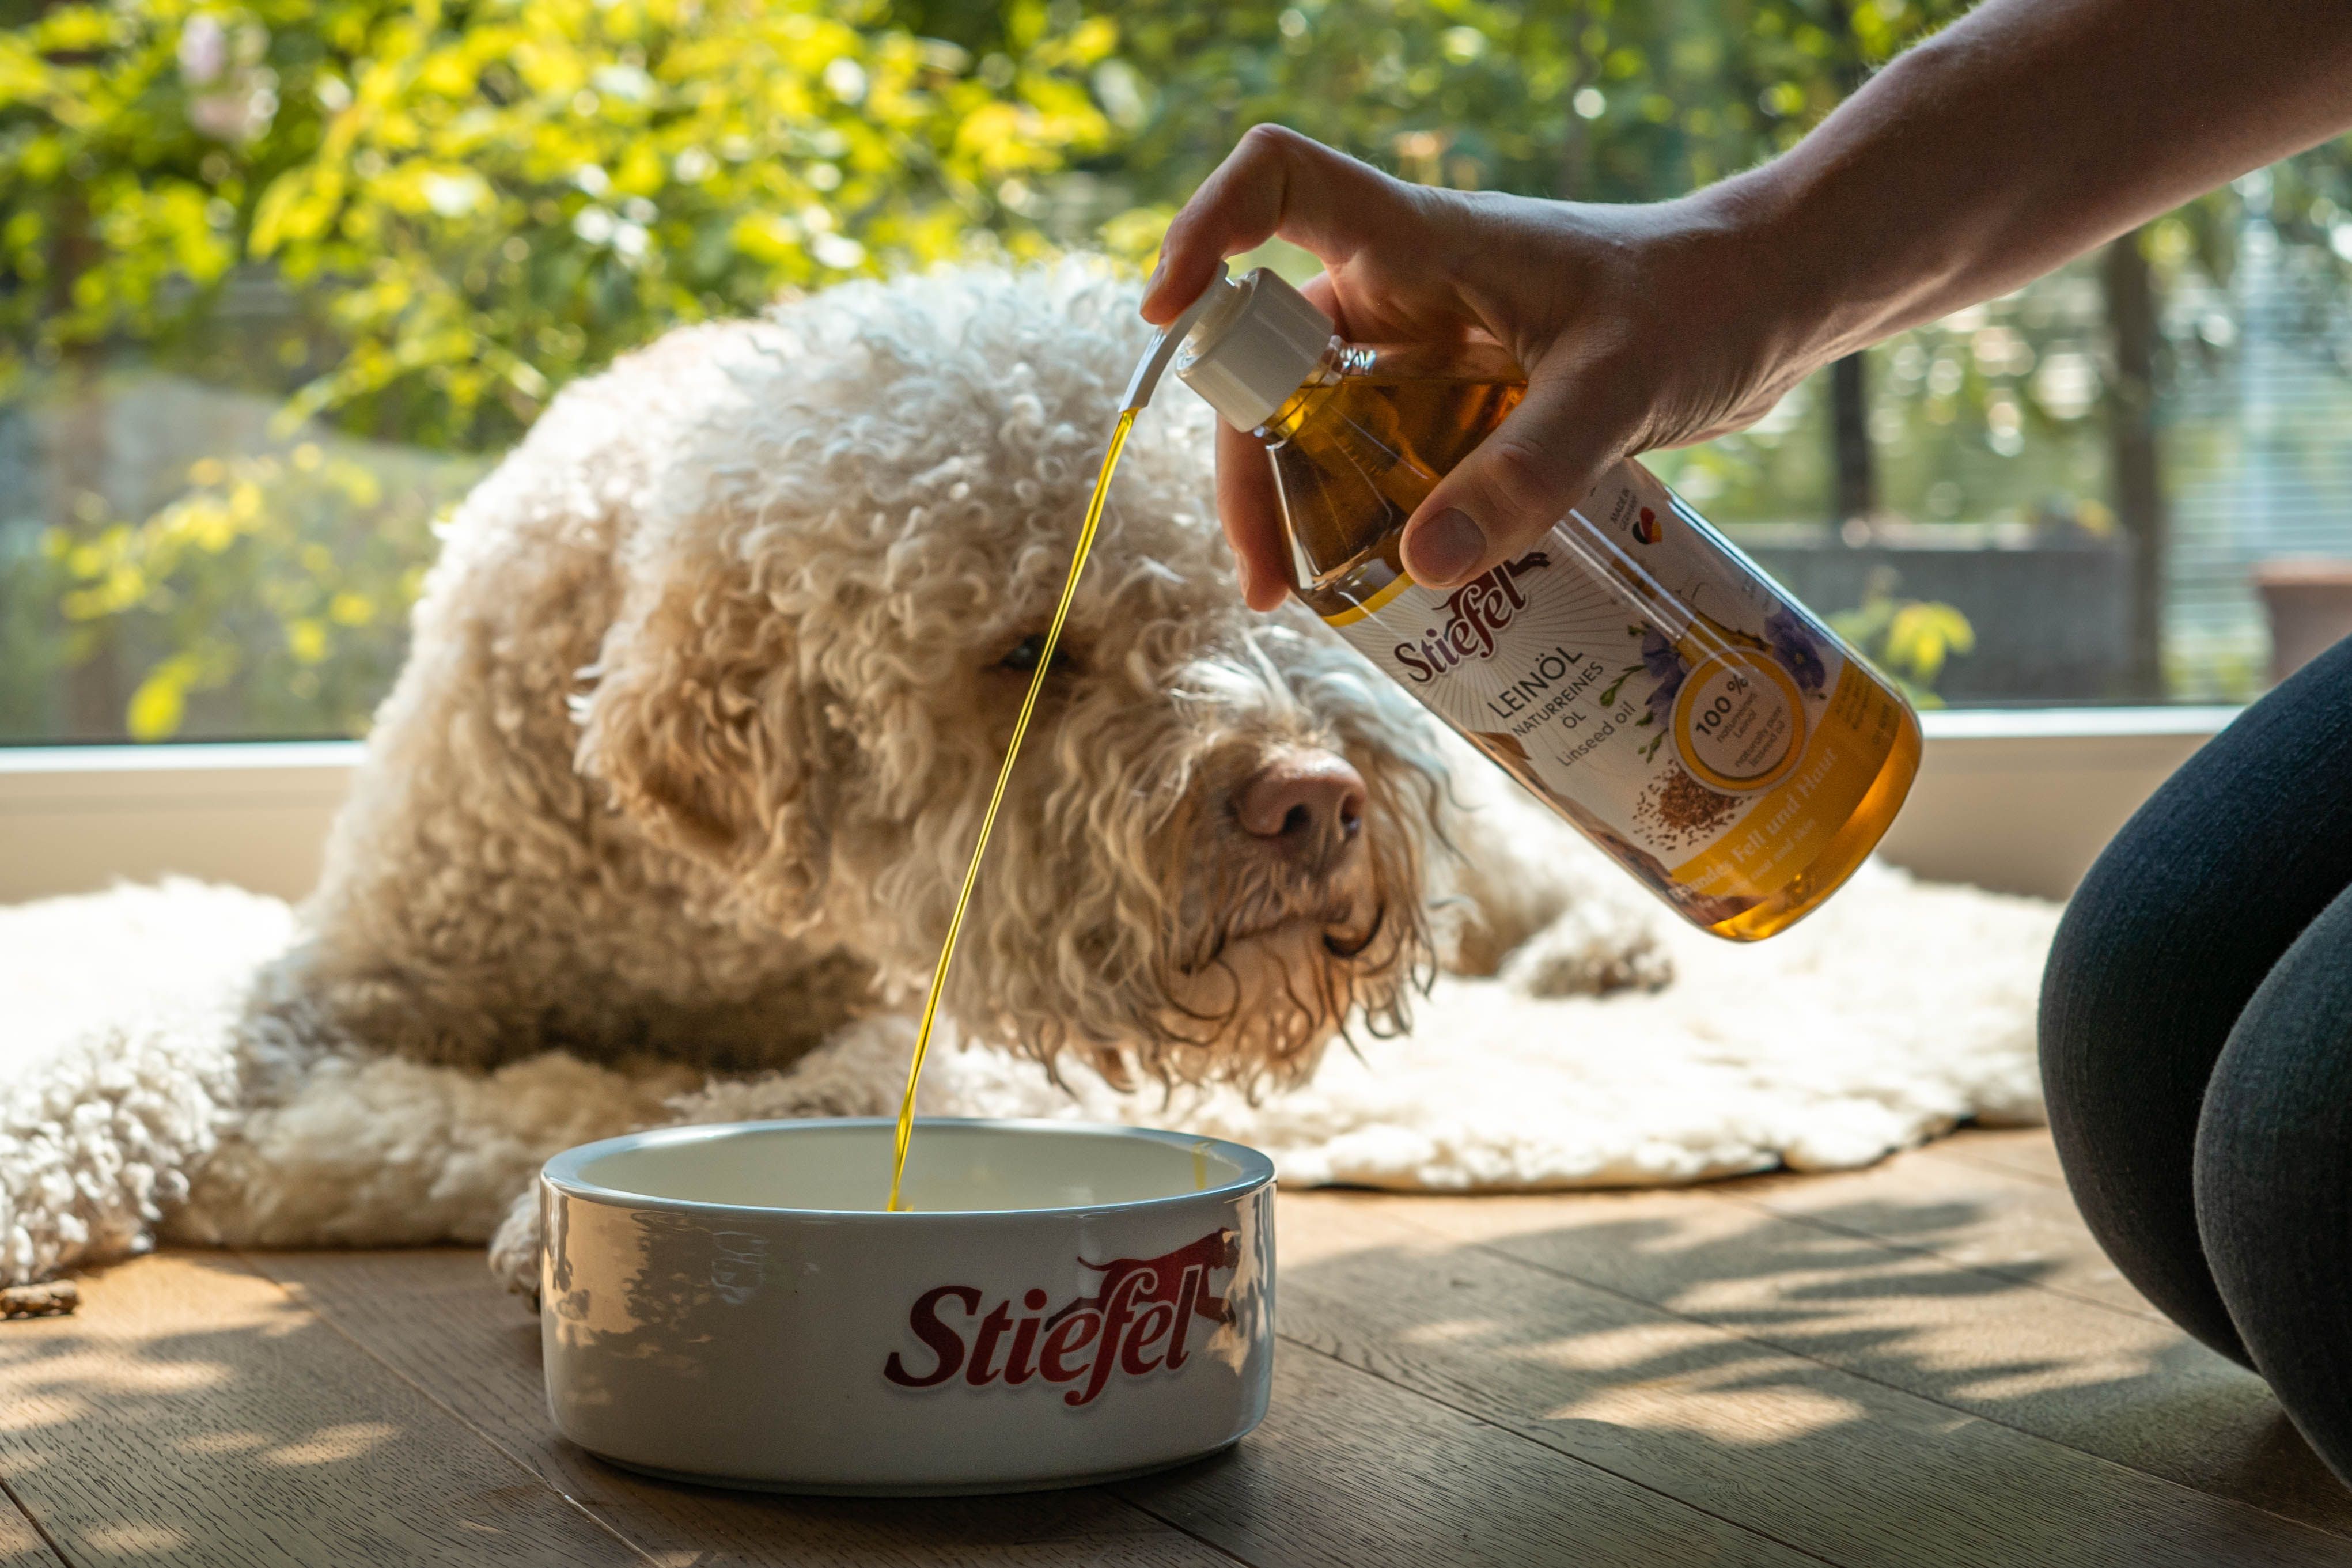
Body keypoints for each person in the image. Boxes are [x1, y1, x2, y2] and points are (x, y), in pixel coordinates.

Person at [1141, 0, 2352, 1486]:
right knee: (2140, 1043)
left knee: (2315, 1194)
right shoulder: (1367, 472)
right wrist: (1754, 256)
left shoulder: (1403, 436)